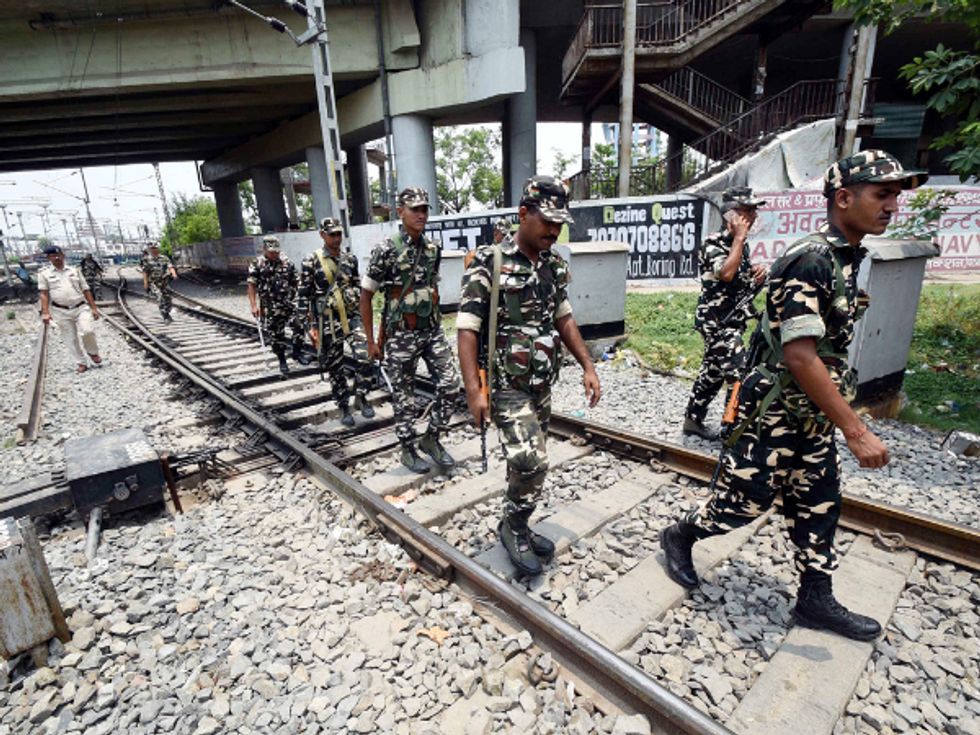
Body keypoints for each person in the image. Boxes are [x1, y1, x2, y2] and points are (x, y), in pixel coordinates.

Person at [661, 151, 927, 641]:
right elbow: (800, 356)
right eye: (882, 194)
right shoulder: (812, 259)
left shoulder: (845, 257)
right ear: (843, 198)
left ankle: (815, 598)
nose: (892, 205)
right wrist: (856, 430)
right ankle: (681, 534)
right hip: (775, 410)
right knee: (744, 503)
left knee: (819, 500)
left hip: (812, 410)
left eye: (895, 196)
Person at [458, 176, 601, 578]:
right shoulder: (489, 261)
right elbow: (467, 328)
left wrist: (588, 366)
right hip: (506, 385)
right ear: (523, 214)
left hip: (540, 384)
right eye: (547, 221)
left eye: (560, 224)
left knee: (526, 465)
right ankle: (514, 527)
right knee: (530, 461)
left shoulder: (552, 265)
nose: (554, 231)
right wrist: (473, 391)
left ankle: (516, 520)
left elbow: (564, 318)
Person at [360, 187, 459, 473]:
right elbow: (366, 296)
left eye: (425, 209)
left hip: (432, 330)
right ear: (400, 212)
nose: (421, 214)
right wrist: (371, 341)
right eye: (415, 209)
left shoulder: (433, 248)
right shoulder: (386, 250)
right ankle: (407, 448)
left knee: (451, 385)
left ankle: (432, 438)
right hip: (401, 334)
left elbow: (432, 285)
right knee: (405, 396)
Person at [683, 187, 768, 440]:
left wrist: (754, 272)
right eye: (747, 211)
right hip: (717, 323)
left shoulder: (739, 244)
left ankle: (693, 420)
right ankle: (734, 431)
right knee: (739, 373)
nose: (753, 216)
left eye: (754, 211)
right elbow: (726, 273)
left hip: (732, 320)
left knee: (712, 373)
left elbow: (736, 276)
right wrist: (739, 239)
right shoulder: (713, 243)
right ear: (730, 215)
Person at [298, 218, 374, 425]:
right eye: (332, 234)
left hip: (352, 317)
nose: (336, 238)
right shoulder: (311, 261)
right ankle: (343, 405)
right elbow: (303, 296)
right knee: (335, 366)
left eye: (339, 234)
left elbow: (357, 287)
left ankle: (361, 396)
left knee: (366, 357)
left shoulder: (350, 259)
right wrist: (308, 326)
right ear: (322, 235)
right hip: (328, 322)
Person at [248, 235, 310, 376]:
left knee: (300, 324)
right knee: (276, 334)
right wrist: (254, 305)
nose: (274, 254)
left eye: (276, 251)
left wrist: (300, 298)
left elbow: (296, 281)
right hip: (271, 306)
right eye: (271, 252)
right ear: (264, 249)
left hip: (289, 302)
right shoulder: (257, 264)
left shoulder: (287, 262)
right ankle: (282, 360)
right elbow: (251, 286)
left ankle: (297, 352)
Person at [37, 245, 102, 373]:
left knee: (87, 330)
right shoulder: (44, 274)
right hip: (60, 310)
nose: (56, 258)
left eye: (58, 255)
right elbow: (44, 293)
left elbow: (86, 289)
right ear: (49, 258)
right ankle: (81, 362)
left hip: (80, 307)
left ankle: (92, 352)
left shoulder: (75, 271)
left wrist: (94, 308)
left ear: (63, 256)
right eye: (53, 256)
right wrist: (45, 312)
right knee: (70, 337)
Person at [142, 243, 178, 322]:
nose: (154, 249)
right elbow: (145, 272)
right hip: (153, 282)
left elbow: (170, 267)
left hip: (164, 282)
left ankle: (167, 312)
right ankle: (165, 316)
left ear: (158, 248)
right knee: (160, 297)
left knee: (168, 298)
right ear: (150, 249)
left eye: (155, 248)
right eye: (152, 248)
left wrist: (174, 274)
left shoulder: (164, 258)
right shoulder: (146, 259)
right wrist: (145, 283)